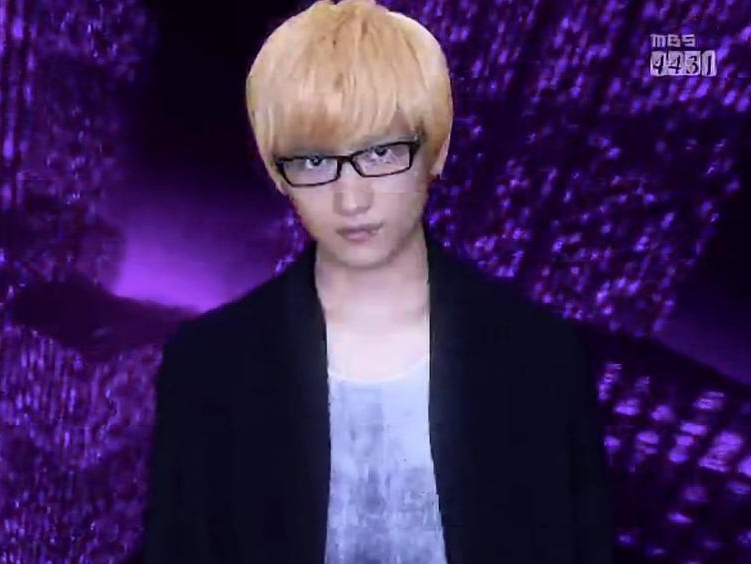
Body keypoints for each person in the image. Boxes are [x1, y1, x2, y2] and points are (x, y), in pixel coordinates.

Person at [142, 1, 614, 562]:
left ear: (436, 149)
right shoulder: (208, 369)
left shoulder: (540, 358)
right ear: (277, 172)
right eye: (314, 162)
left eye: (382, 152)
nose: (351, 198)